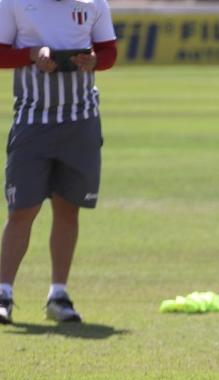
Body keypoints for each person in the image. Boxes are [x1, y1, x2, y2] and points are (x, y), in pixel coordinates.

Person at [0, 0, 117, 324]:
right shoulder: (14, 3)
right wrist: (31, 55)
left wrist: (92, 61)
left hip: (80, 120)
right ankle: (4, 293)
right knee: (22, 209)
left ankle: (58, 294)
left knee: (68, 207)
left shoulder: (94, 4)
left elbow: (109, 52)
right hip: (32, 119)